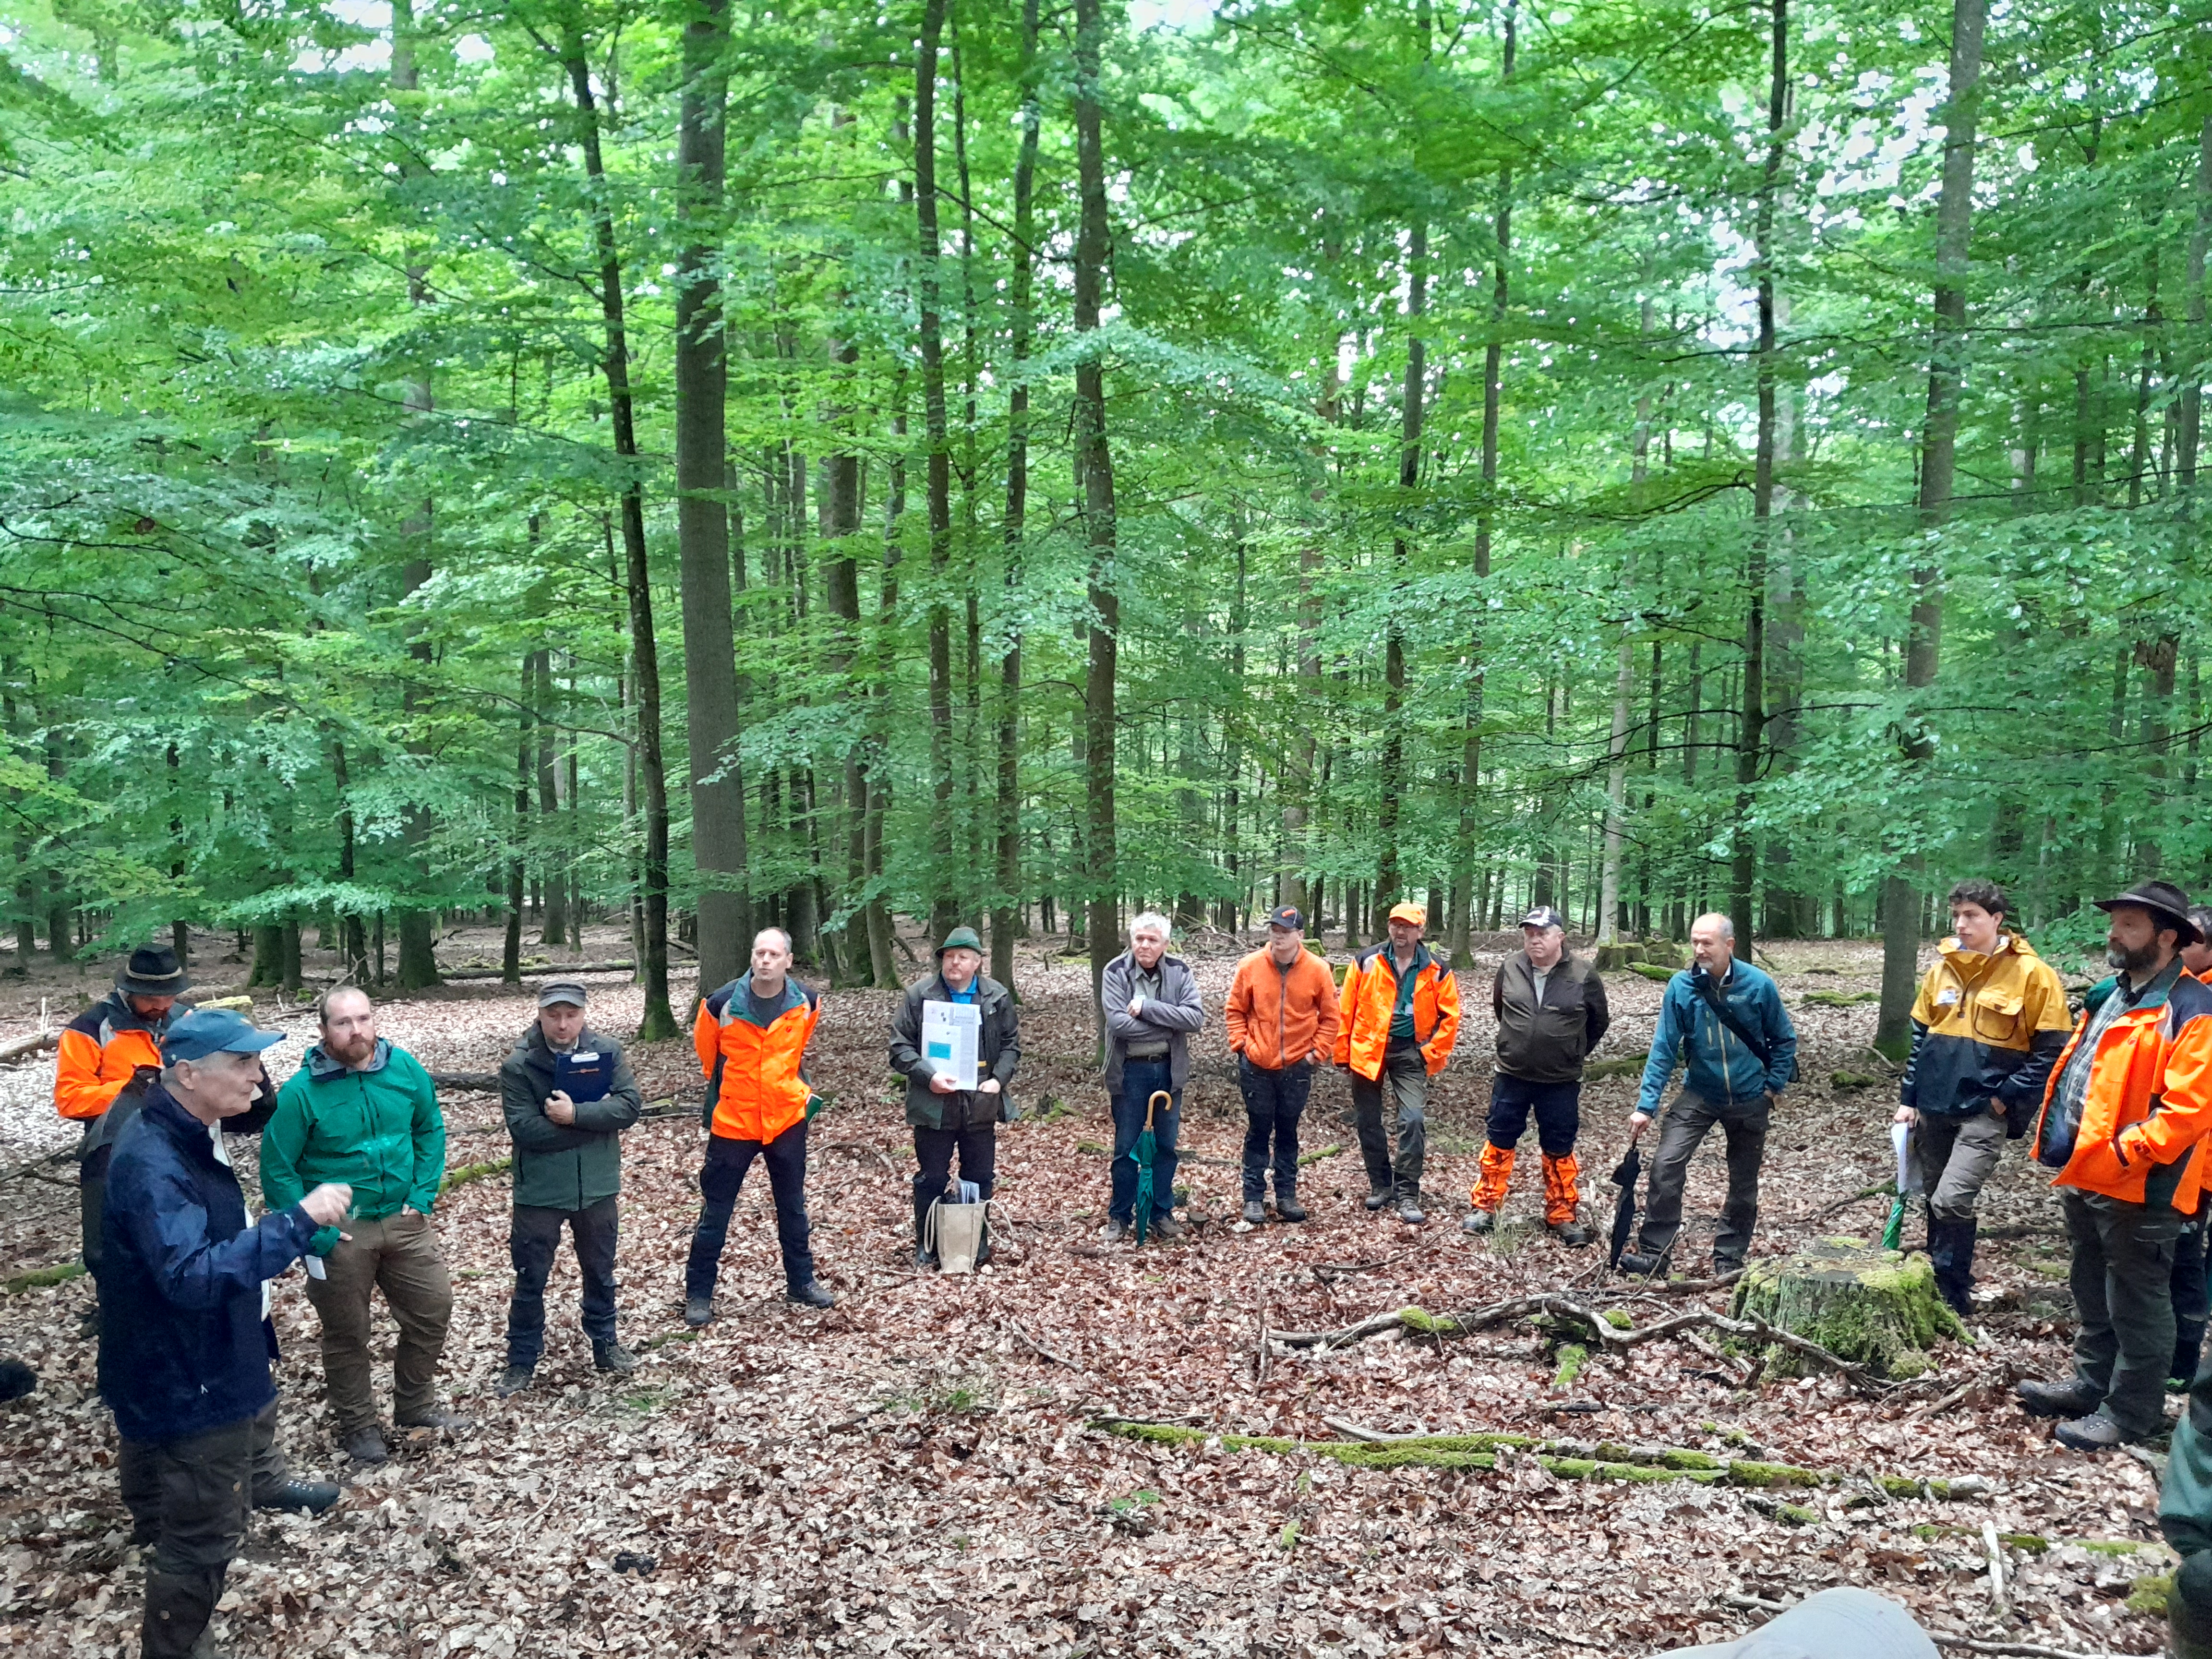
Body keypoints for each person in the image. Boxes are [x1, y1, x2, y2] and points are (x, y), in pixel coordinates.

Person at [97, 1008, 348, 1659]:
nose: (258, 1076)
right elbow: (189, 1277)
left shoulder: (186, 1127)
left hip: (187, 1363)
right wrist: (297, 1222)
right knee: (203, 1536)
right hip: (189, 1379)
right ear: (186, 1073)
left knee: (177, 1515)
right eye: (242, 1064)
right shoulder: (153, 1159)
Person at [2018, 879, 2212, 1451]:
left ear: (2167, 937)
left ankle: (2130, 1414)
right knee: (2090, 1284)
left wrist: (2129, 1152)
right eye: (2116, 922)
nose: (2114, 933)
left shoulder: (2192, 1007)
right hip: (2086, 1170)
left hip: (2143, 1182)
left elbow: (2190, 1110)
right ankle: (2090, 1384)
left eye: (2130, 925)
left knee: (2138, 1297)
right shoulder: (2112, 993)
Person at [262, 986, 468, 1463]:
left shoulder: (404, 1069)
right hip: (340, 1233)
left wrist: (422, 1193)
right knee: (347, 1331)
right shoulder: (301, 1093)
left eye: (363, 1019)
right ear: (324, 1031)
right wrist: (315, 1231)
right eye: (343, 1022)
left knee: (433, 1309)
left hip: (404, 1219)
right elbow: (277, 1169)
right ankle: (359, 1427)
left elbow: (429, 1127)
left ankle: (415, 1406)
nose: (356, 1030)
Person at [1892, 879, 2072, 1316]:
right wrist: (1908, 1099)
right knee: (1934, 1198)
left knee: (1952, 1199)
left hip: (1983, 1112)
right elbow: (1920, 1040)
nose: (1962, 924)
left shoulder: (2033, 975)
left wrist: (2005, 1098)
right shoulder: (1942, 969)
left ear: (1996, 919)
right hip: (1933, 1107)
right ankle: (1939, 1288)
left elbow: (2053, 1049)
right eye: (1957, 915)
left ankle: (1954, 1295)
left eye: (1972, 915)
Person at [1619, 912, 1797, 1276]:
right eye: (1695, 942)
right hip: (1700, 1092)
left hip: (1750, 1096)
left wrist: (1772, 1087)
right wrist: (1645, 1106)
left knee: (1743, 1182)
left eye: (1707, 943)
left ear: (1729, 945)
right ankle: (1655, 1255)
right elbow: (1664, 1048)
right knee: (1666, 1165)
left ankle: (1729, 1258)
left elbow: (1784, 1040)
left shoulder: (1758, 985)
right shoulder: (1681, 987)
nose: (1699, 950)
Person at [496, 981, 645, 1395]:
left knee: (601, 1270)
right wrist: (594, 1125)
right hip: (540, 1191)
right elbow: (525, 1130)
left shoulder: (608, 1052)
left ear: (583, 1014)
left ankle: (605, 1343)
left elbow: (630, 1106)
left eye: (571, 1015)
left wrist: (574, 1114)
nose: (563, 1024)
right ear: (541, 1014)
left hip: (597, 1187)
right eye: (554, 1015)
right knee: (531, 1276)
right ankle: (521, 1359)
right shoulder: (519, 1065)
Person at [685, 929, 836, 1320]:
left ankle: (802, 1283)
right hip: (733, 1122)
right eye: (760, 953)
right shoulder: (720, 1003)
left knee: (793, 1206)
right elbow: (708, 1058)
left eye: (774, 954)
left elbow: (799, 1051)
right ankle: (699, 1295)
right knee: (716, 1210)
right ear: (751, 957)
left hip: (787, 1118)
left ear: (788, 960)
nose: (765, 960)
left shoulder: (807, 1002)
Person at [56, 945, 195, 1308]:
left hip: (182, 1146)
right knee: (107, 1248)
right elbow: (70, 1098)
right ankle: (117, 1315)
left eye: (169, 995)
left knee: (181, 1232)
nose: (161, 1005)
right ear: (129, 990)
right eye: (151, 998)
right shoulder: (88, 1029)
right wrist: (130, 1092)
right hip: (111, 1151)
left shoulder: (187, 1021)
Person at [1464, 905, 1611, 1245]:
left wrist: (1571, 1052)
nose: (1535, 940)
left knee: (1559, 1146)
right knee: (1499, 1138)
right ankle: (1486, 1207)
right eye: (1530, 934)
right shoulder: (1511, 967)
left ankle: (1562, 1214)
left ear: (1560, 936)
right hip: (1512, 1074)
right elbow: (1502, 1009)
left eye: (1543, 933)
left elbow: (1598, 1022)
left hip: (1560, 1080)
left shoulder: (1584, 975)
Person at [889, 926, 1020, 1270]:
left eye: (962, 957)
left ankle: (976, 1242)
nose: (955, 963)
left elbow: (1011, 1045)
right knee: (931, 1175)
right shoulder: (920, 995)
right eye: (949, 956)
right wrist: (927, 1076)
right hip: (934, 1102)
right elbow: (899, 1046)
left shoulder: (996, 997)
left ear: (977, 962)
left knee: (980, 1175)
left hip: (980, 1099)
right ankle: (927, 1243)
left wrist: (998, 1080)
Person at [1334, 901, 1462, 1226]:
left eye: (1407, 926)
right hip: (1368, 1049)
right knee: (1368, 1121)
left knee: (1413, 1120)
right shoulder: (1366, 961)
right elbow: (1346, 1008)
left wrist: (1428, 1052)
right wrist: (1343, 1052)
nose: (1400, 931)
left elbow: (1450, 1018)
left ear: (1420, 931)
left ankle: (1408, 1192)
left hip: (1411, 1052)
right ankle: (1381, 1185)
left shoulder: (1436, 968)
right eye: (1395, 925)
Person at [1224, 905, 1341, 1226]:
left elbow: (1332, 1018)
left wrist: (1317, 1054)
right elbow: (1234, 1010)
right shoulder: (1250, 966)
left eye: (1286, 931)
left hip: (1297, 1068)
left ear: (1300, 936)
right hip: (1257, 1065)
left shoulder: (1318, 970)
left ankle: (1287, 1196)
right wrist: (1242, 1046)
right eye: (1274, 930)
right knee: (1258, 1131)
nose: (1278, 936)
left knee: (1288, 1132)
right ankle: (1253, 1198)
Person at [1099, 912, 1207, 1242]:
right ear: (1131, 940)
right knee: (1126, 1147)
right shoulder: (1115, 971)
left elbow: (1195, 1018)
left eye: (1152, 940)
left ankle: (1161, 1213)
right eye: (1139, 939)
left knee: (1165, 1146)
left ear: (1165, 944)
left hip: (1168, 1070)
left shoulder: (1179, 972)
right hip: (1130, 1071)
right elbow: (1118, 1023)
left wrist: (1147, 1008)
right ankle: (1120, 1216)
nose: (1144, 946)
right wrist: (1169, 1020)